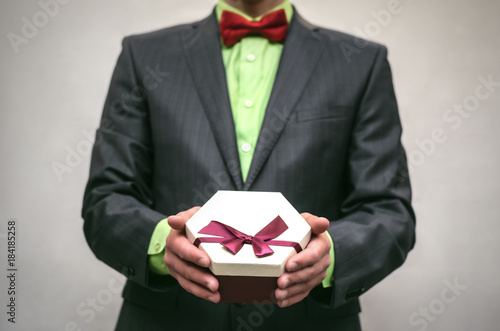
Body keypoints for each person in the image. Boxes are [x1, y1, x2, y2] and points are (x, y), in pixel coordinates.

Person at [82, 0, 416, 330]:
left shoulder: (361, 61)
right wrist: (160, 244)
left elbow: (389, 211)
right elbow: (105, 200)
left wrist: (332, 255)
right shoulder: (143, 55)